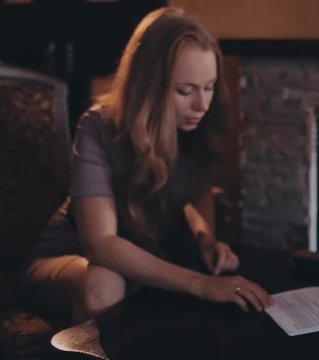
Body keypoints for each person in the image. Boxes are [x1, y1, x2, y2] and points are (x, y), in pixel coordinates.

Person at [21, 7, 273, 326]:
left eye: (208, 87)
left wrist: (205, 239)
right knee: (105, 283)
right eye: (185, 90)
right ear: (149, 87)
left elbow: (199, 190)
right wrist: (200, 283)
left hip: (142, 260)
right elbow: (101, 245)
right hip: (70, 259)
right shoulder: (98, 126)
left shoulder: (197, 125)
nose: (202, 104)